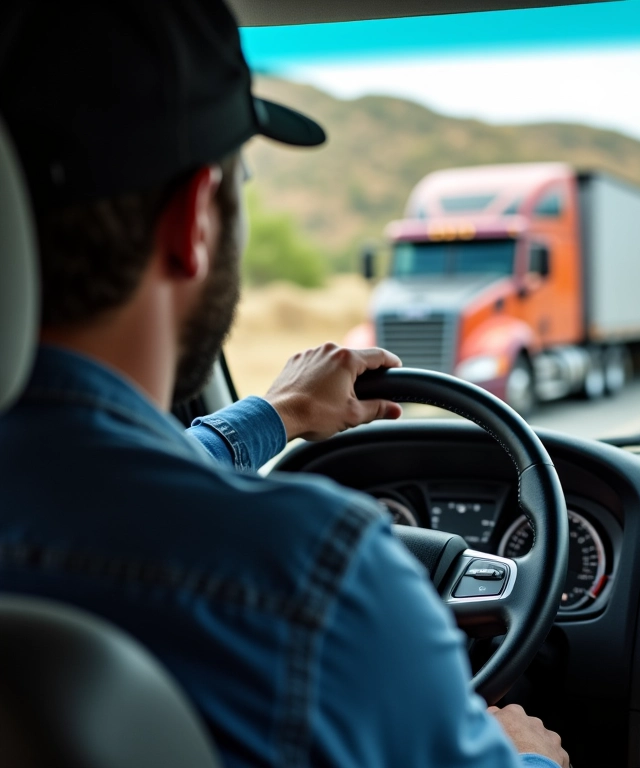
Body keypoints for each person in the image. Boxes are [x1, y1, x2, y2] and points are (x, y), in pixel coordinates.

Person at [0, 3, 569, 768]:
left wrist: (277, 413)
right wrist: (528, 757)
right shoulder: (310, 576)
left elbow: (100, 486)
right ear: (195, 218)